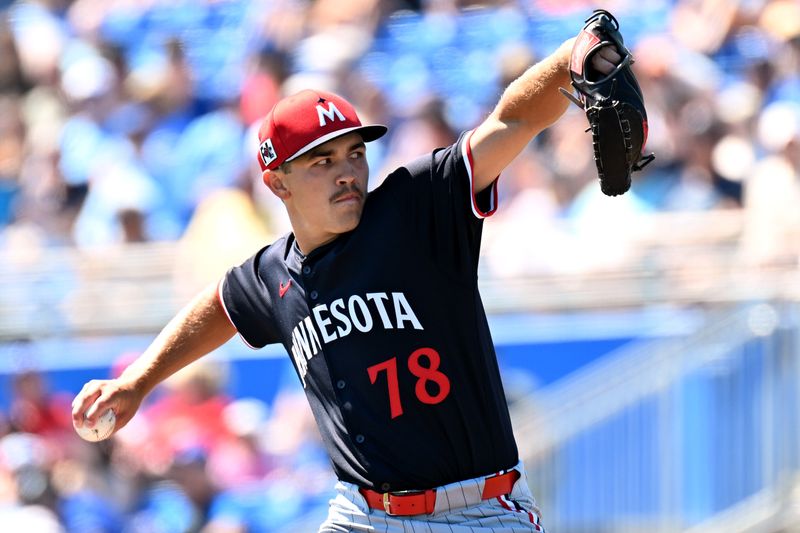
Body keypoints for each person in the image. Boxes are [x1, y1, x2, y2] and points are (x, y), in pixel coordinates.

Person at [72, 25, 624, 531]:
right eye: (321, 161)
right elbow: (218, 306)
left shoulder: (415, 207)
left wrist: (571, 57)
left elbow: (513, 120)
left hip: (476, 510)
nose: (346, 172)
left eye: (354, 153)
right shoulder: (271, 276)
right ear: (277, 182)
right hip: (361, 514)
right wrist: (137, 381)